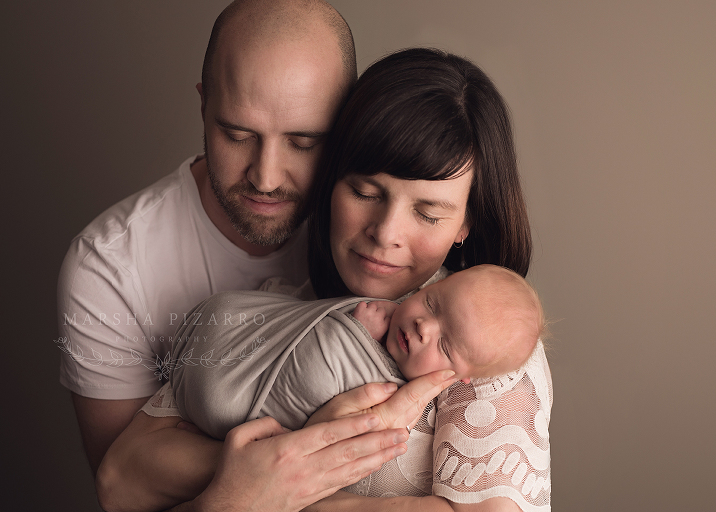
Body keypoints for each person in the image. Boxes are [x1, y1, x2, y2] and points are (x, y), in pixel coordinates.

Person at [99, 48, 552, 512]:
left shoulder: (485, 340)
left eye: (428, 213)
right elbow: (120, 477)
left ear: (464, 225)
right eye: (364, 191)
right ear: (329, 182)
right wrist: (273, 469)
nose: (385, 234)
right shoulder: (289, 303)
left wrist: (287, 480)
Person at [58, 1, 451, 509]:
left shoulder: (380, 243)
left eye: (304, 142)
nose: (266, 178)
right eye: (237, 135)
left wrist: (271, 463)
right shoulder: (108, 267)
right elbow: (122, 489)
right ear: (203, 106)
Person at [148, 265, 544, 441]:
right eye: (434, 304)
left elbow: (323, 393)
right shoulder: (386, 306)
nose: (424, 326)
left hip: (225, 398)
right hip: (218, 336)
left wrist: (353, 332)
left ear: (460, 377)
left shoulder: (402, 405)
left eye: (445, 345)